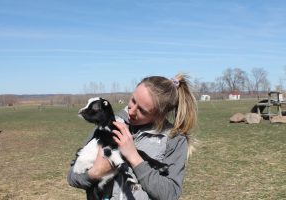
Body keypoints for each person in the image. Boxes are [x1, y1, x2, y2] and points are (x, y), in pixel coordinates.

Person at [67, 73, 198, 200]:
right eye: (133, 100)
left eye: (142, 110)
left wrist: (134, 158)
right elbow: (72, 177)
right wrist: (94, 173)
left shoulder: (174, 140)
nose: (131, 110)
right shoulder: (111, 124)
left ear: (160, 115)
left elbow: (170, 194)